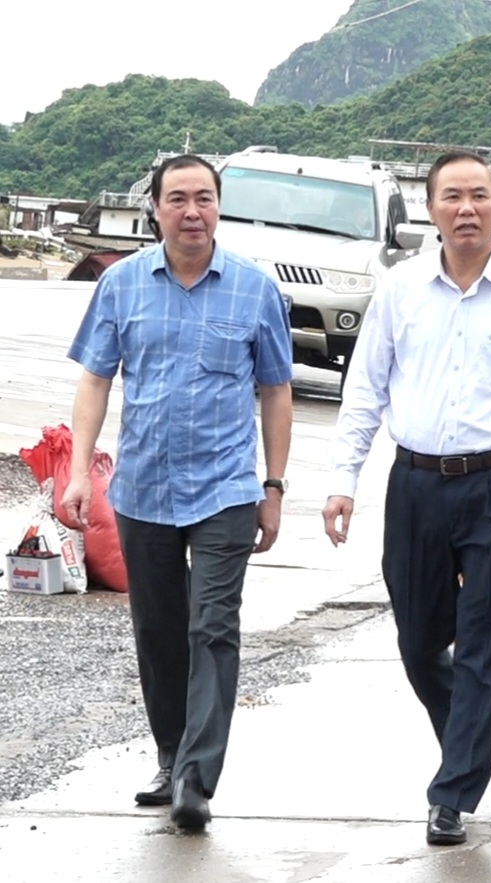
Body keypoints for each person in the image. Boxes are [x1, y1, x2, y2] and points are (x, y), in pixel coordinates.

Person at [322, 151, 491, 847]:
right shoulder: (400, 289)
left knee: (485, 635)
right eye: (452, 197)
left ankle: (453, 791)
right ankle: (468, 724)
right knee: (418, 636)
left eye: (480, 197)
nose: (467, 209)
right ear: (429, 208)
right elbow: (366, 389)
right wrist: (342, 478)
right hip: (416, 483)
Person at [62, 154, 294, 831]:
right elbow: (96, 380)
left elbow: (276, 391)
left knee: (212, 625)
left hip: (225, 488)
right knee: (159, 631)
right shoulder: (122, 284)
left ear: (220, 207)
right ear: (155, 209)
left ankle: (198, 773)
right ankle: (169, 753)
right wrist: (80, 471)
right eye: (178, 199)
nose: (192, 211)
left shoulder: (254, 289)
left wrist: (273, 485)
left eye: (205, 198)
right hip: (143, 487)